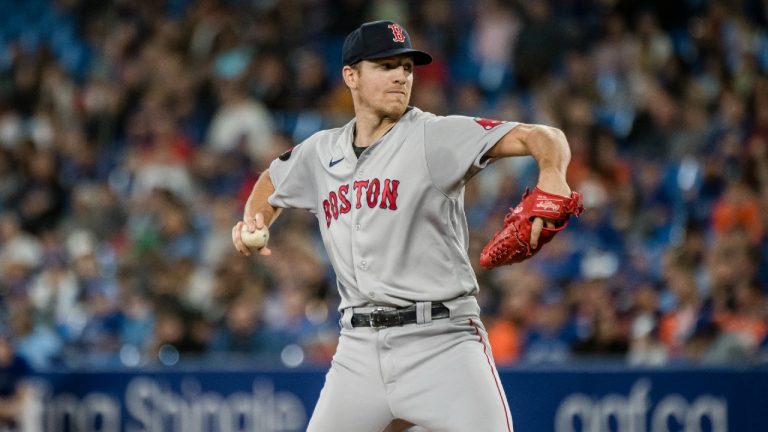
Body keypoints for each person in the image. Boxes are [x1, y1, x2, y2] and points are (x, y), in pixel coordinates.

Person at [232, 20, 575, 432]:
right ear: (351, 76)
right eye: (386, 65)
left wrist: (553, 176)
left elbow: (544, 136)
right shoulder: (321, 152)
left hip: (443, 343)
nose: (401, 76)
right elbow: (272, 180)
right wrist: (255, 220)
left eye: (407, 67)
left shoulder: (436, 136)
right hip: (358, 350)